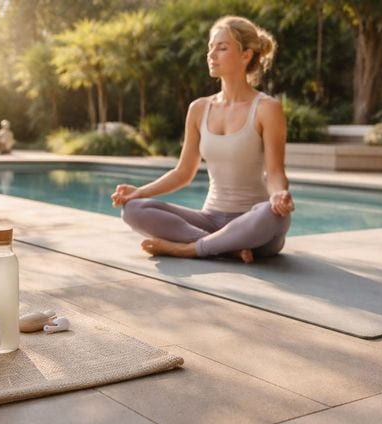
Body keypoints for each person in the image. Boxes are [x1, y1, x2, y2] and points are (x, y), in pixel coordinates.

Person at [110, 15, 294, 263]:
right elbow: (184, 172)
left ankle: (190, 248)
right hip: (210, 219)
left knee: (274, 215)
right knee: (133, 209)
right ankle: (227, 247)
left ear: (245, 55)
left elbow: (274, 172)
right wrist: (139, 192)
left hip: (253, 222)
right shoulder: (199, 108)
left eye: (222, 47)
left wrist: (278, 195)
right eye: (210, 48)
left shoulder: (266, 108)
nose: (211, 54)